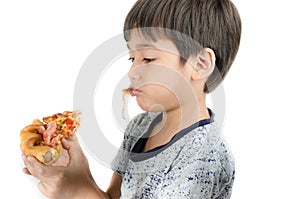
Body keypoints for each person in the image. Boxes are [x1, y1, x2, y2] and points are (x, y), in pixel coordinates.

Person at [22, 0, 241, 198]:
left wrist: (77, 191)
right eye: (132, 58)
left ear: (200, 64)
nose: (133, 71)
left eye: (148, 58)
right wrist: (79, 172)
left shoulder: (205, 157)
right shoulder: (141, 127)